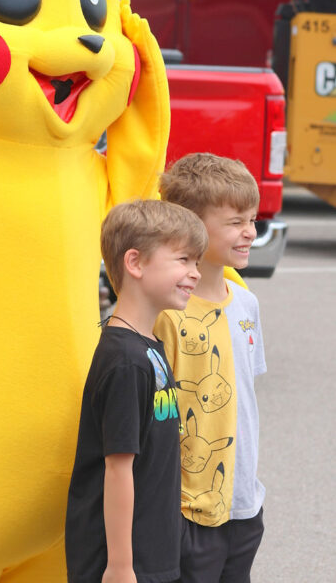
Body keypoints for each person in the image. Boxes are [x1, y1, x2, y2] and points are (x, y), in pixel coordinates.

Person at [66, 199, 208, 583]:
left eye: (197, 262)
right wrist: (120, 566)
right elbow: (117, 468)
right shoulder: (126, 361)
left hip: (152, 552)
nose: (195, 273)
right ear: (136, 263)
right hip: (123, 563)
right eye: (183, 260)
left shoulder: (148, 345)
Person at [155, 153, 266, 583]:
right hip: (186, 509)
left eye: (252, 220)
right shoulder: (166, 314)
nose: (250, 232)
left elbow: (244, 396)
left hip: (244, 503)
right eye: (236, 221)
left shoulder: (247, 304)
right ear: (193, 227)